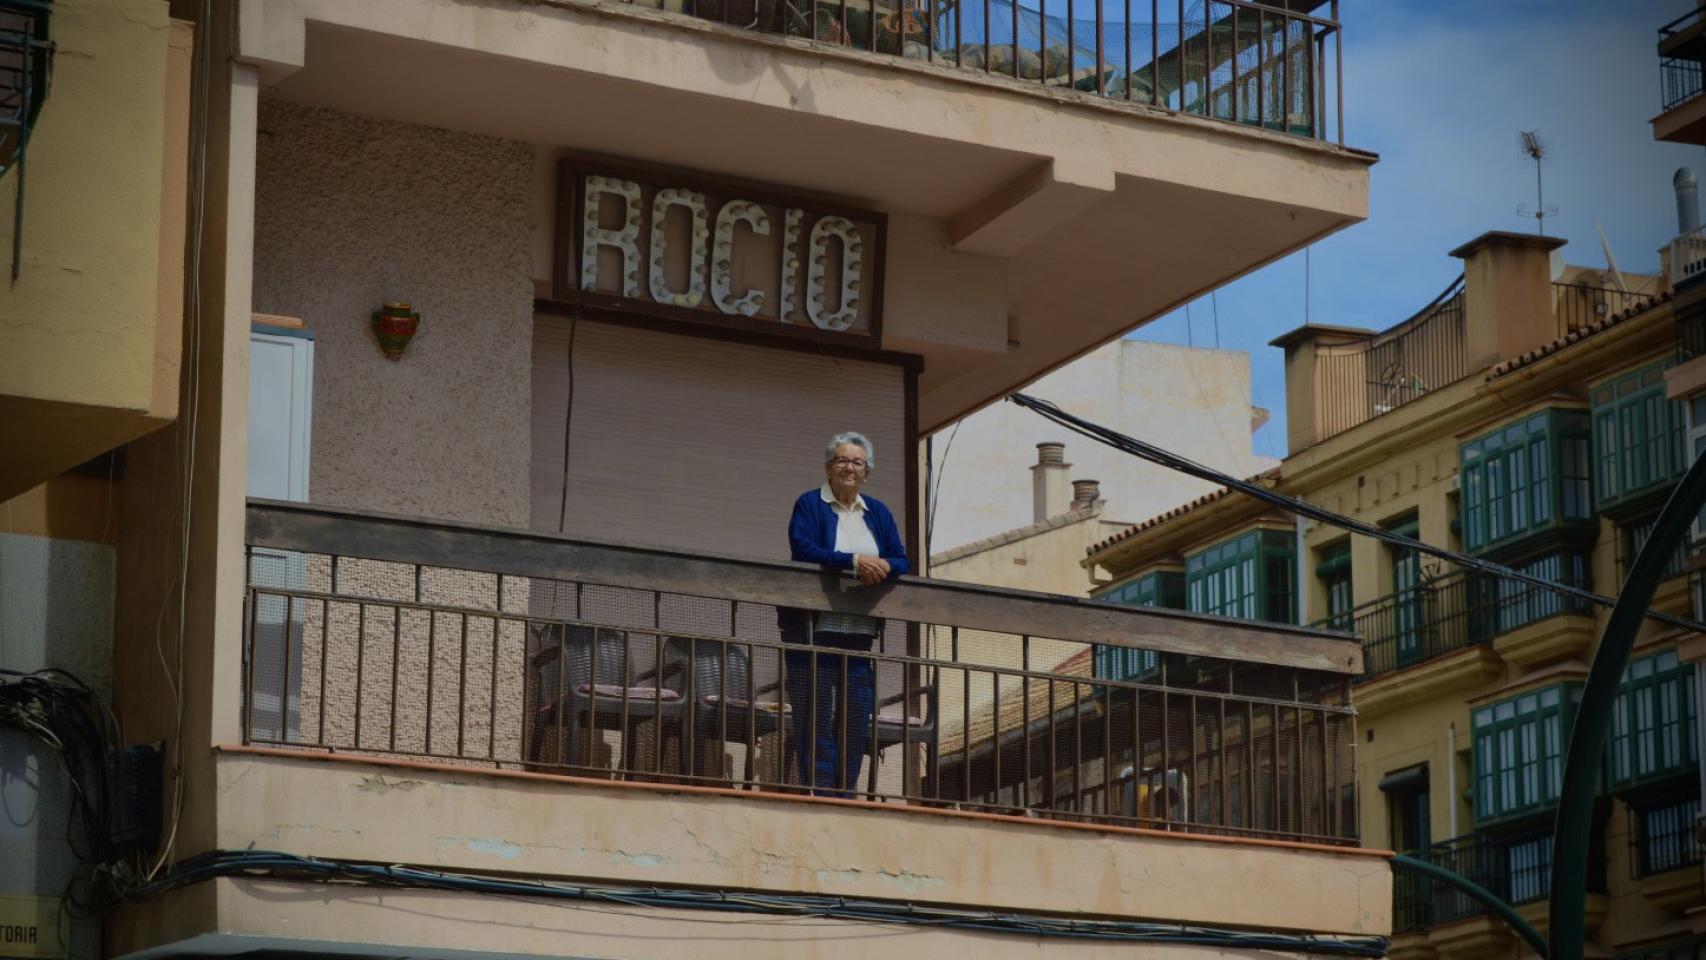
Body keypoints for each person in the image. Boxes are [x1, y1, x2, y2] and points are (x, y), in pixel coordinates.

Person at [779, 431, 909, 796]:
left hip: (858, 630)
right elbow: (803, 549)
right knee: (815, 716)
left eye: (857, 462)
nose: (849, 468)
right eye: (842, 460)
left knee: (855, 718)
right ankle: (819, 792)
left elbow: (902, 558)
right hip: (813, 630)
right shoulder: (810, 504)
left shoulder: (877, 512)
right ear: (828, 467)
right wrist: (853, 562)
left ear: (866, 472)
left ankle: (845, 792)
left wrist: (881, 566)